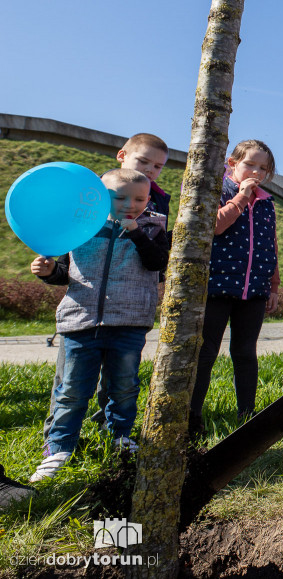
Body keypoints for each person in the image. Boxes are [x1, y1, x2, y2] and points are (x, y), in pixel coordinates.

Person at [29, 168, 169, 481]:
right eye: (119, 198)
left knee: (123, 387)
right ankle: (59, 447)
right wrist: (48, 270)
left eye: (139, 198)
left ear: (149, 199)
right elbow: (66, 273)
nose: (130, 204)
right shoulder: (79, 227)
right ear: (97, 198)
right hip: (81, 321)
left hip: (129, 322)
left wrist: (134, 231)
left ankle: (118, 436)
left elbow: (157, 263)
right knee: (73, 390)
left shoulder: (153, 226)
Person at [189, 140, 280, 437]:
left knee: (245, 352)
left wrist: (274, 285)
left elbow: (270, 244)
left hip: (253, 289)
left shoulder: (266, 202)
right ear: (232, 163)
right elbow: (214, 226)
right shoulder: (219, 191)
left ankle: (247, 414)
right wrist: (241, 198)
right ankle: (192, 418)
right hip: (218, 285)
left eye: (263, 168)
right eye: (250, 164)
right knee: (206, 352)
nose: (257, 171)